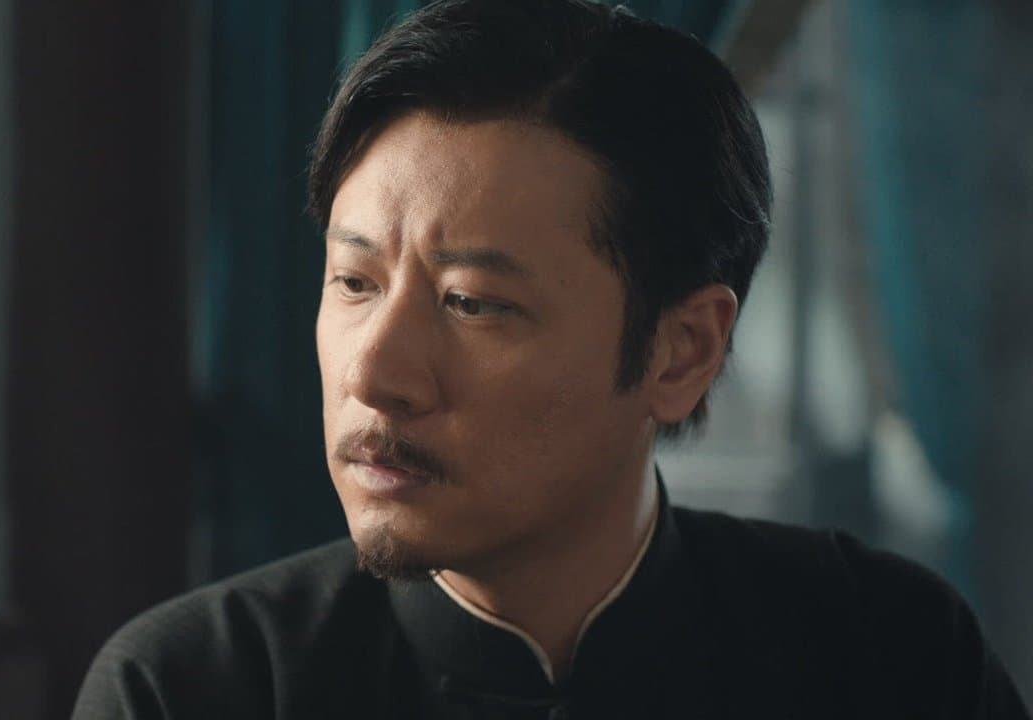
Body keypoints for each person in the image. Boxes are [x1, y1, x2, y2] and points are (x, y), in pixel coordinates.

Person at [72, 1, 1029, 717]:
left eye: (472, 302)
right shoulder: (192, 689)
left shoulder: (890, 656)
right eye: (355, 283)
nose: (373, 375)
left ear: (683, 350)